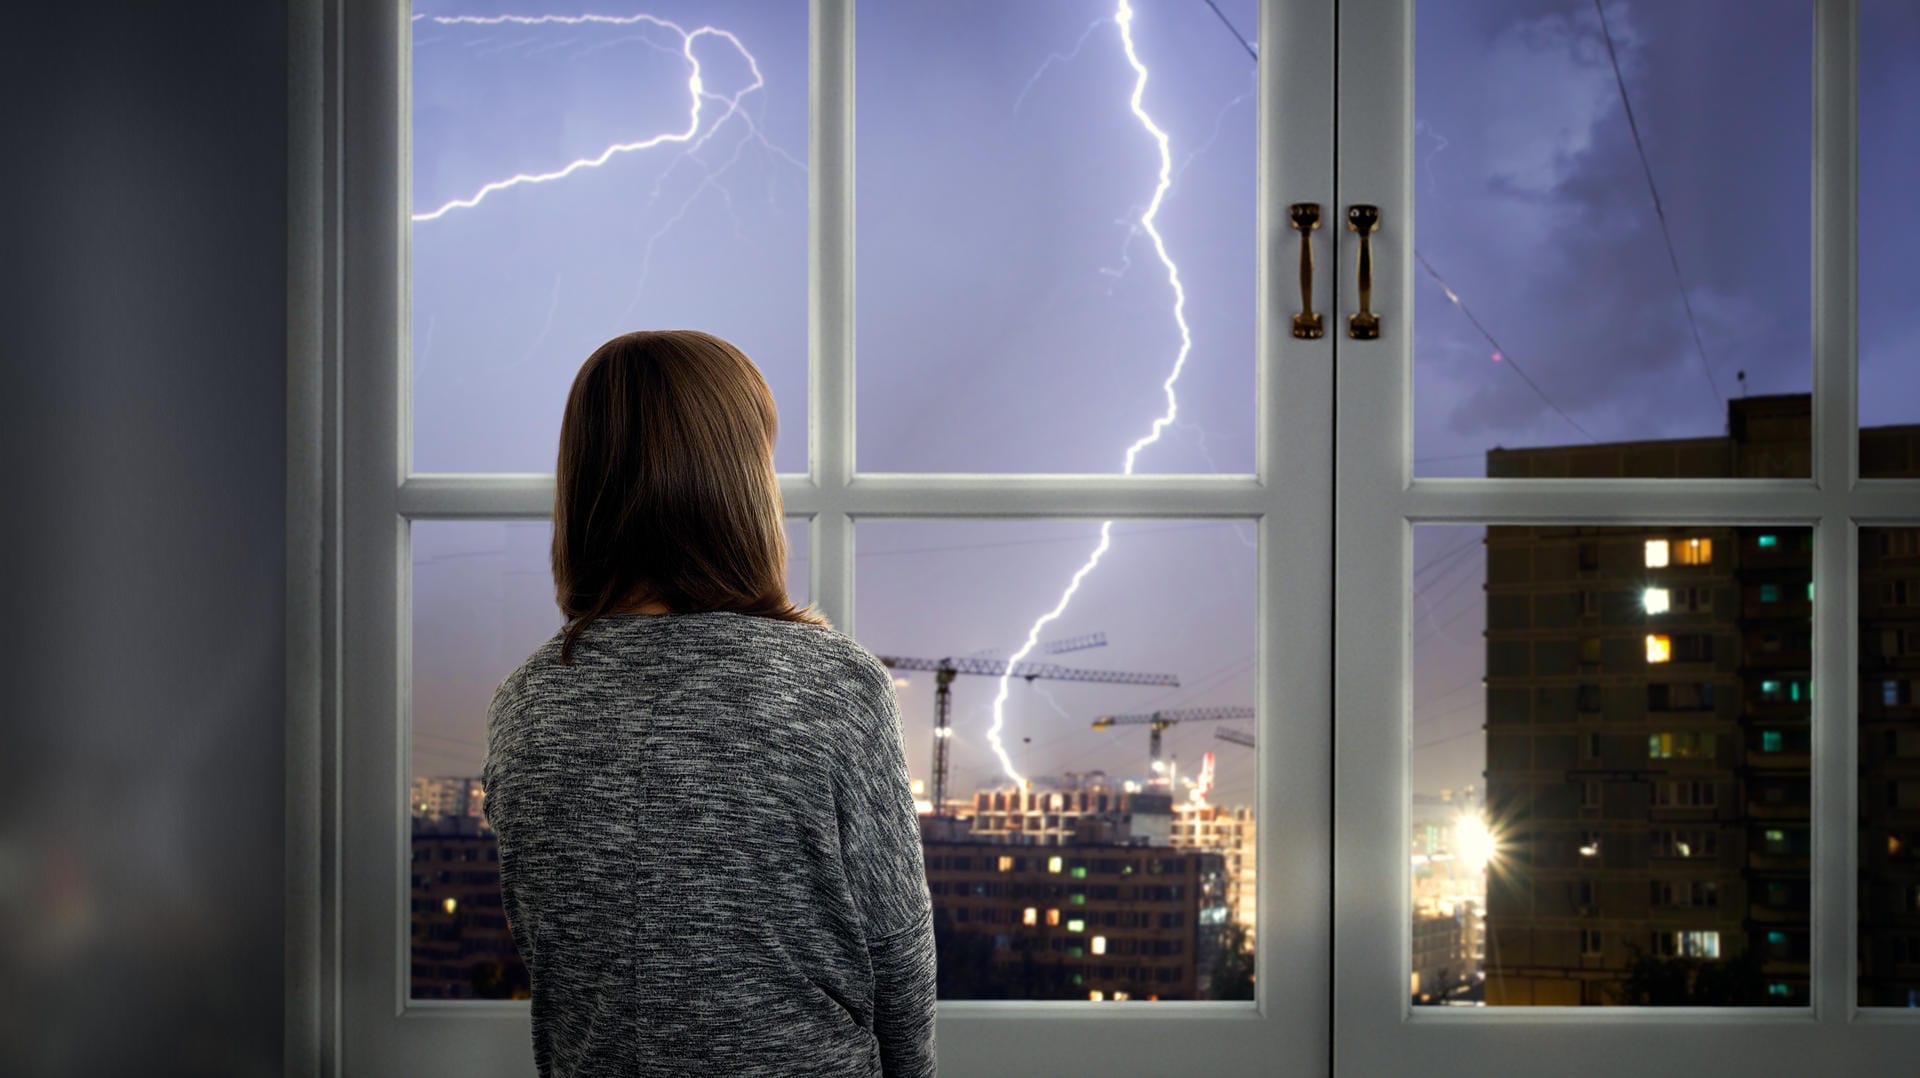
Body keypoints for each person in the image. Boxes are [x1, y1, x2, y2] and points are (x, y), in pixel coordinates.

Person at [482, 330, 938, 1077]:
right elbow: (897, 952)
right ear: (742, 486)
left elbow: (549, 954)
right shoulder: (833, 684)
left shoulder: (525, 702)